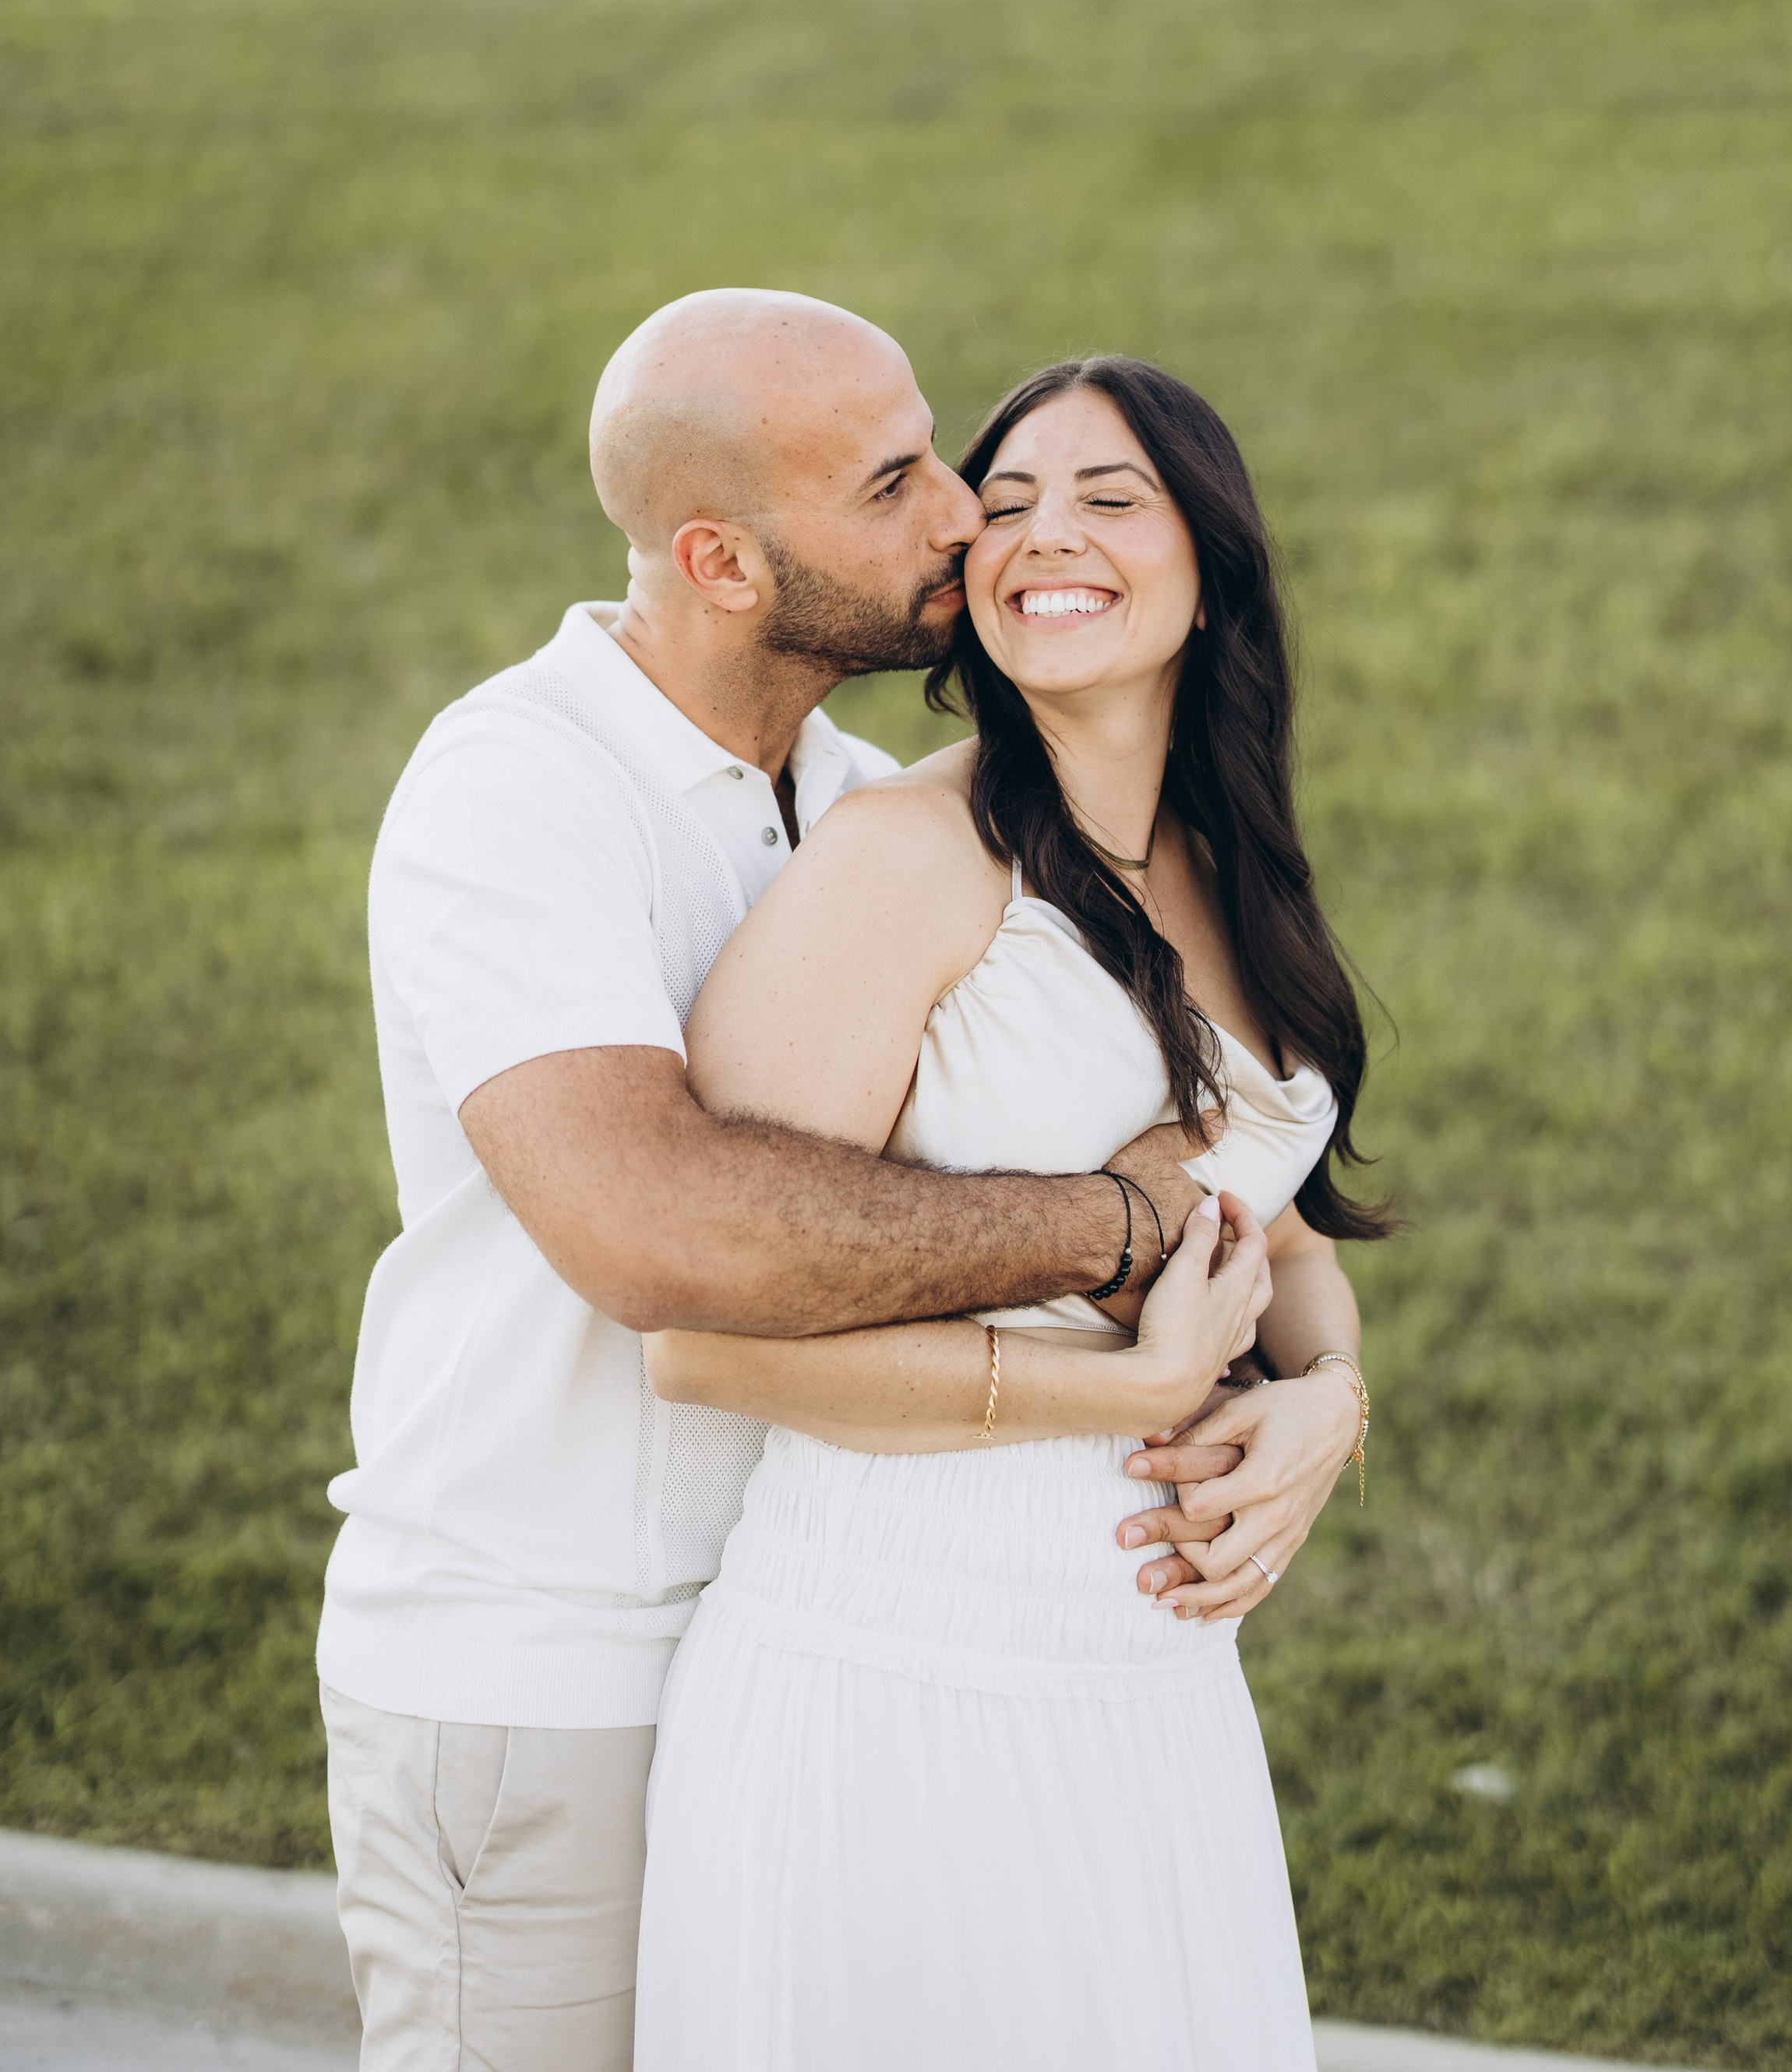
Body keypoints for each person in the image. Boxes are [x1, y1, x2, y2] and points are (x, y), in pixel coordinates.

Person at [317, 292, 1224, 2072]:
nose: (968, 514)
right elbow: (657, 1233)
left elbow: (1196, 1110)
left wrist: (1315, 1389)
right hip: (544, 1667)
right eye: (895, 483)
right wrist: (1105, 1232)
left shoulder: (862, 798)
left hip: (803, 1657)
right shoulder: (518, 792)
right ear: (724, 562)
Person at [633, 354, 1386, 2072]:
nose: (1048, 533)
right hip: (892, 1675)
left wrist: (1328, 1403)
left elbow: (1270, 1221)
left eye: (1111, 498)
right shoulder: (905, 861)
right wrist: (1112, 1394)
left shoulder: (1230, 858)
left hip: (1150, 1690)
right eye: (1012, 500)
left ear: (1212, 572)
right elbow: (698, 1335)